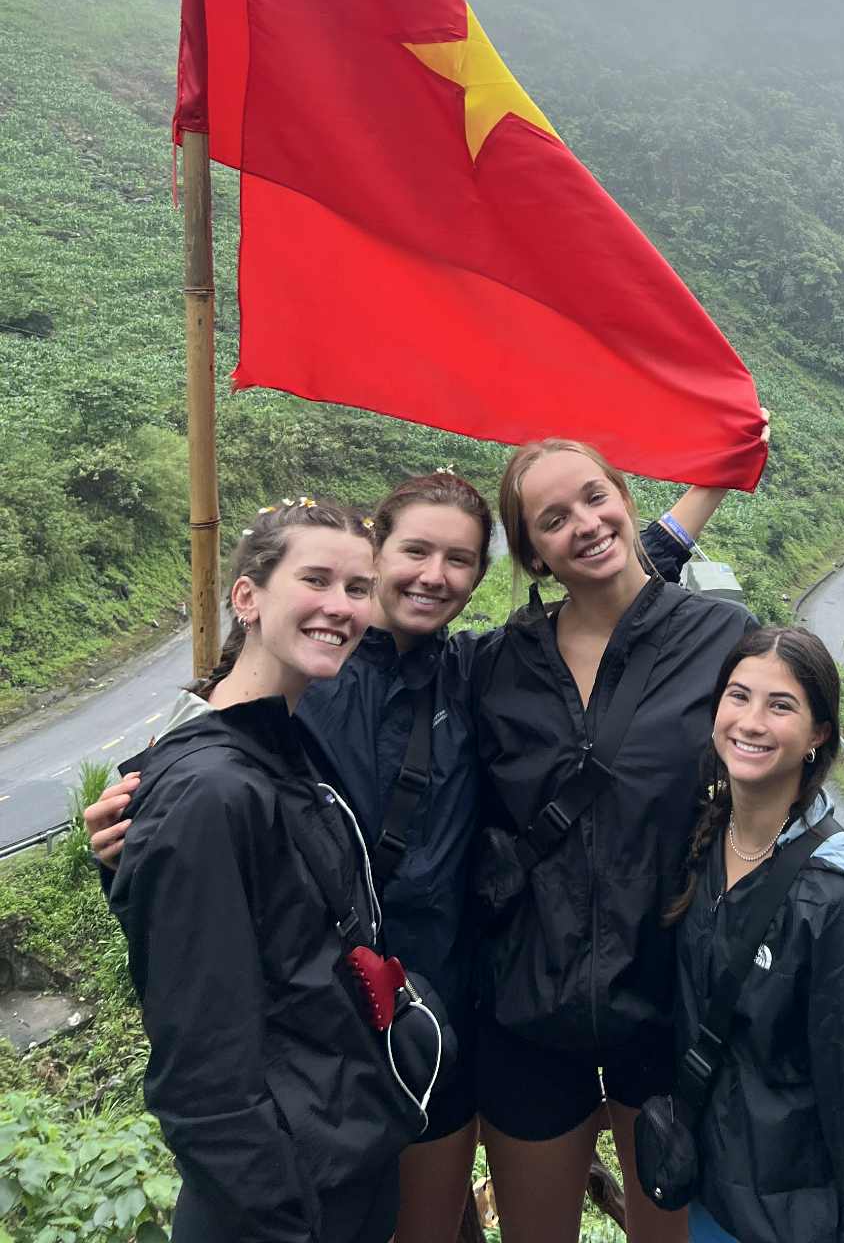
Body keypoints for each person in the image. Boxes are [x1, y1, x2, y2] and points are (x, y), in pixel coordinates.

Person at [89, 466, 731, 1243]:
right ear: (376, 559)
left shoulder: (469, 672)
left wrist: (707, 486)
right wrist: (130, 833)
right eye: (413, 553)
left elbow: (612, 596)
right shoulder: (302, 683)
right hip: (314, 1031)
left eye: (459, 561)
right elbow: (200, 793)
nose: (434, 576)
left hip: (434, 1019)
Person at [108, 498, 448, 1243]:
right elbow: (201, 1068)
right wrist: (282, 1218)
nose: (341, 606)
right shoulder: (214, 789)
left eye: (358, 589)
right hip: (281, 1201)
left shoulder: (281, 746)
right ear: (248, 596)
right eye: (316, 580)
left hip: (339, 1153)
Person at [473, 439, 758, 1243]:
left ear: (626, 498)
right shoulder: (496, 666)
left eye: (596, 498)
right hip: (526, 1003)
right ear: (532, 552)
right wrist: (180, 756)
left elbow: (787, 777)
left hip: (669, 999)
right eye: (553, 519)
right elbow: (365, 682)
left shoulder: (721, 638)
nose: (585, 525)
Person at [668, 626, 844, 1243]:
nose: (751, 721)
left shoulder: (838, 901)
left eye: (781, 705)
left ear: (818, 734)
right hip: (710, 1195)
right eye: (738, 696)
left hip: (796, 1221)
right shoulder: (703, 844)